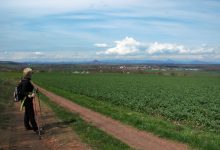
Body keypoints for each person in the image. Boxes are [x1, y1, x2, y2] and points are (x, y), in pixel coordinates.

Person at [21, 67, 38, 132]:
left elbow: (29, 89)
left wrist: (34, 90)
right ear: (28, 74)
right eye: (31, 73)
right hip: (27, 100)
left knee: (27, 113)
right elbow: (23, 91)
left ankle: (27, 126)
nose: (32, 74)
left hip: (26, 100)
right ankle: (35, 128)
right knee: (31, 114)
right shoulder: (26, 81)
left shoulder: (25, 80)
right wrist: (30, 95)